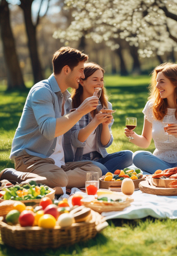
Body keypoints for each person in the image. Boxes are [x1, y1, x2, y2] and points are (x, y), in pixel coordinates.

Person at [2, 47, 102, 190]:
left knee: (95, 171)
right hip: (32, 159)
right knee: (59, 178)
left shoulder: (66, 99)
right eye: (80, 70)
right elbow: (49, 130)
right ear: (66, 70)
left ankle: (53, 185)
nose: (83, 74)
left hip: (56, 164)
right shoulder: (42, 91)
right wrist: (80, 111)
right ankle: (15, 175)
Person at [66, 62, 132, 174]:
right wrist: (95, 122)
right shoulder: (72, 106)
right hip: (78, 160)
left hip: (99, 158)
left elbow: (105, 144)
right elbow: (76, 141)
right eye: (95, 79)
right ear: (81, 81)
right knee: (99, 169)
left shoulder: (105, 106)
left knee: (128, 156)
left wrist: (105, 125)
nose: (100, 83)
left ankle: (103, 174)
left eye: (101, 79)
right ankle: (107, 175)